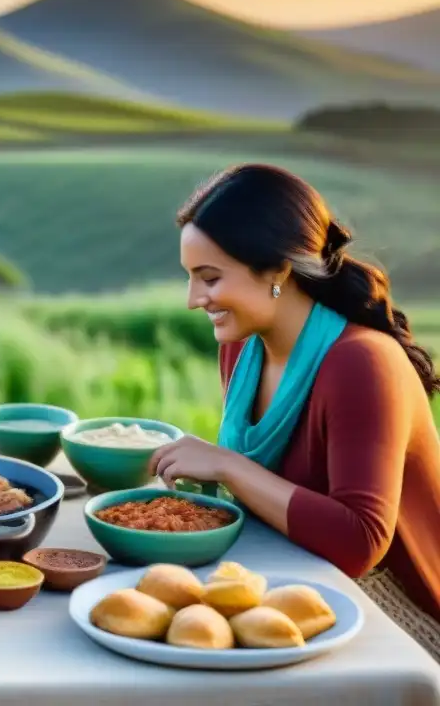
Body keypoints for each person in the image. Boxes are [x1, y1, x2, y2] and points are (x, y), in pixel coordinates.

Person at [150, 163, 440, 661]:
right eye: (190, 278)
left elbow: (359, 541)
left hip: (400, 622)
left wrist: (226, 466)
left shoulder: (360, 363)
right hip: (302, 590)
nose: (193, 300)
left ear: (279, 270)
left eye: (210, 278)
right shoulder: (242, 348)